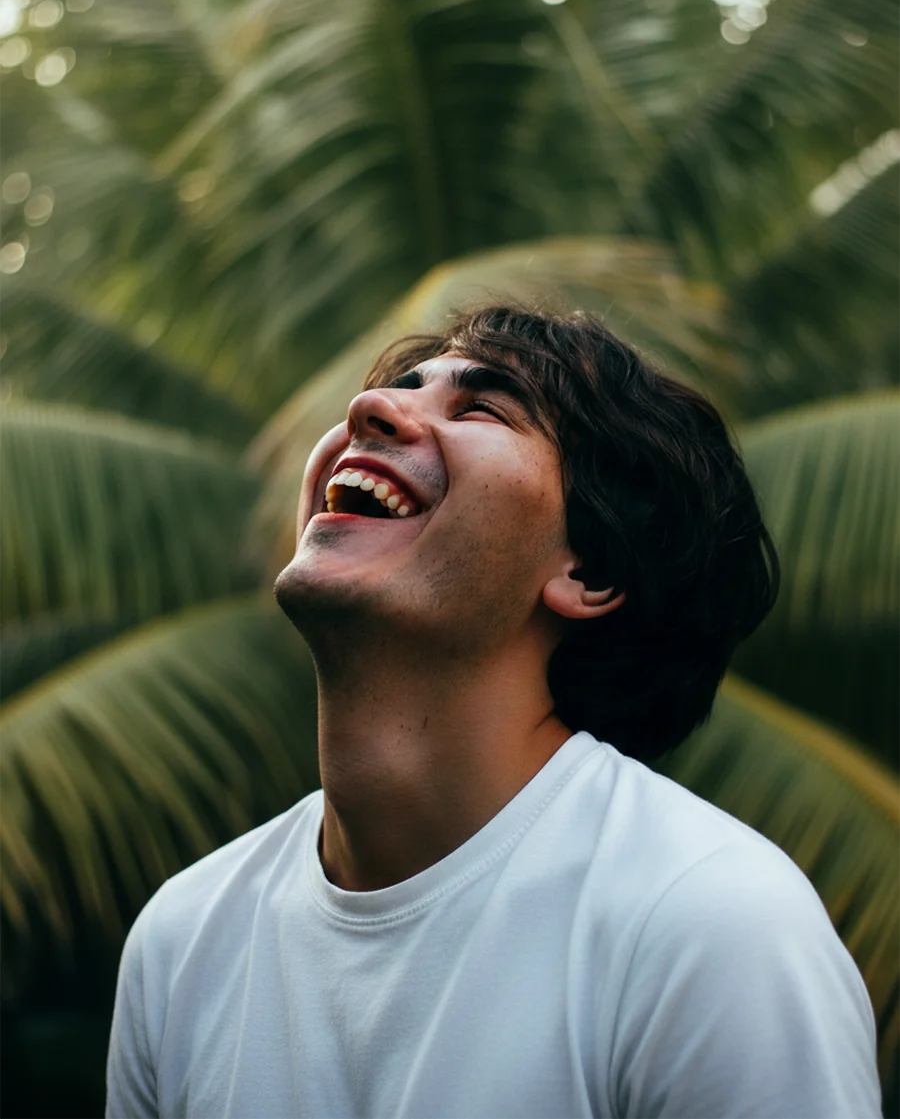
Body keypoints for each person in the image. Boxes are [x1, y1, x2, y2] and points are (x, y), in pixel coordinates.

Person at [106, 303, 882, 1118]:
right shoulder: (183, 939)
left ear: (591, 570)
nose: (364, 411)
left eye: (480, 407)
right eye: (399, 388)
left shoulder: (709, 923)